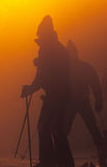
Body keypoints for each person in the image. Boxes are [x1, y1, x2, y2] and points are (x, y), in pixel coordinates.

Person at [21, 15, 74, 167]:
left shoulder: (49, 50)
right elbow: (43, 74)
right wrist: (32, 87)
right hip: (58, 95)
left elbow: (43, 75)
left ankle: (50, 162)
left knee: (48, 127)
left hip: (57, 95)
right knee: (51, 128)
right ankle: (59, 162)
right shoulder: (57, 48)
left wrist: (30, 89)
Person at [65, 40, 106, 166]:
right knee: (64, 130)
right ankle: (62, 158)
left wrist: (99, 99)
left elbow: (95, 83)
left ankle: (103, 156)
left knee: (92, 128)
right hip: (71, 103)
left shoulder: (82, 67)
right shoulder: (66, 69)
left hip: (82, 101)